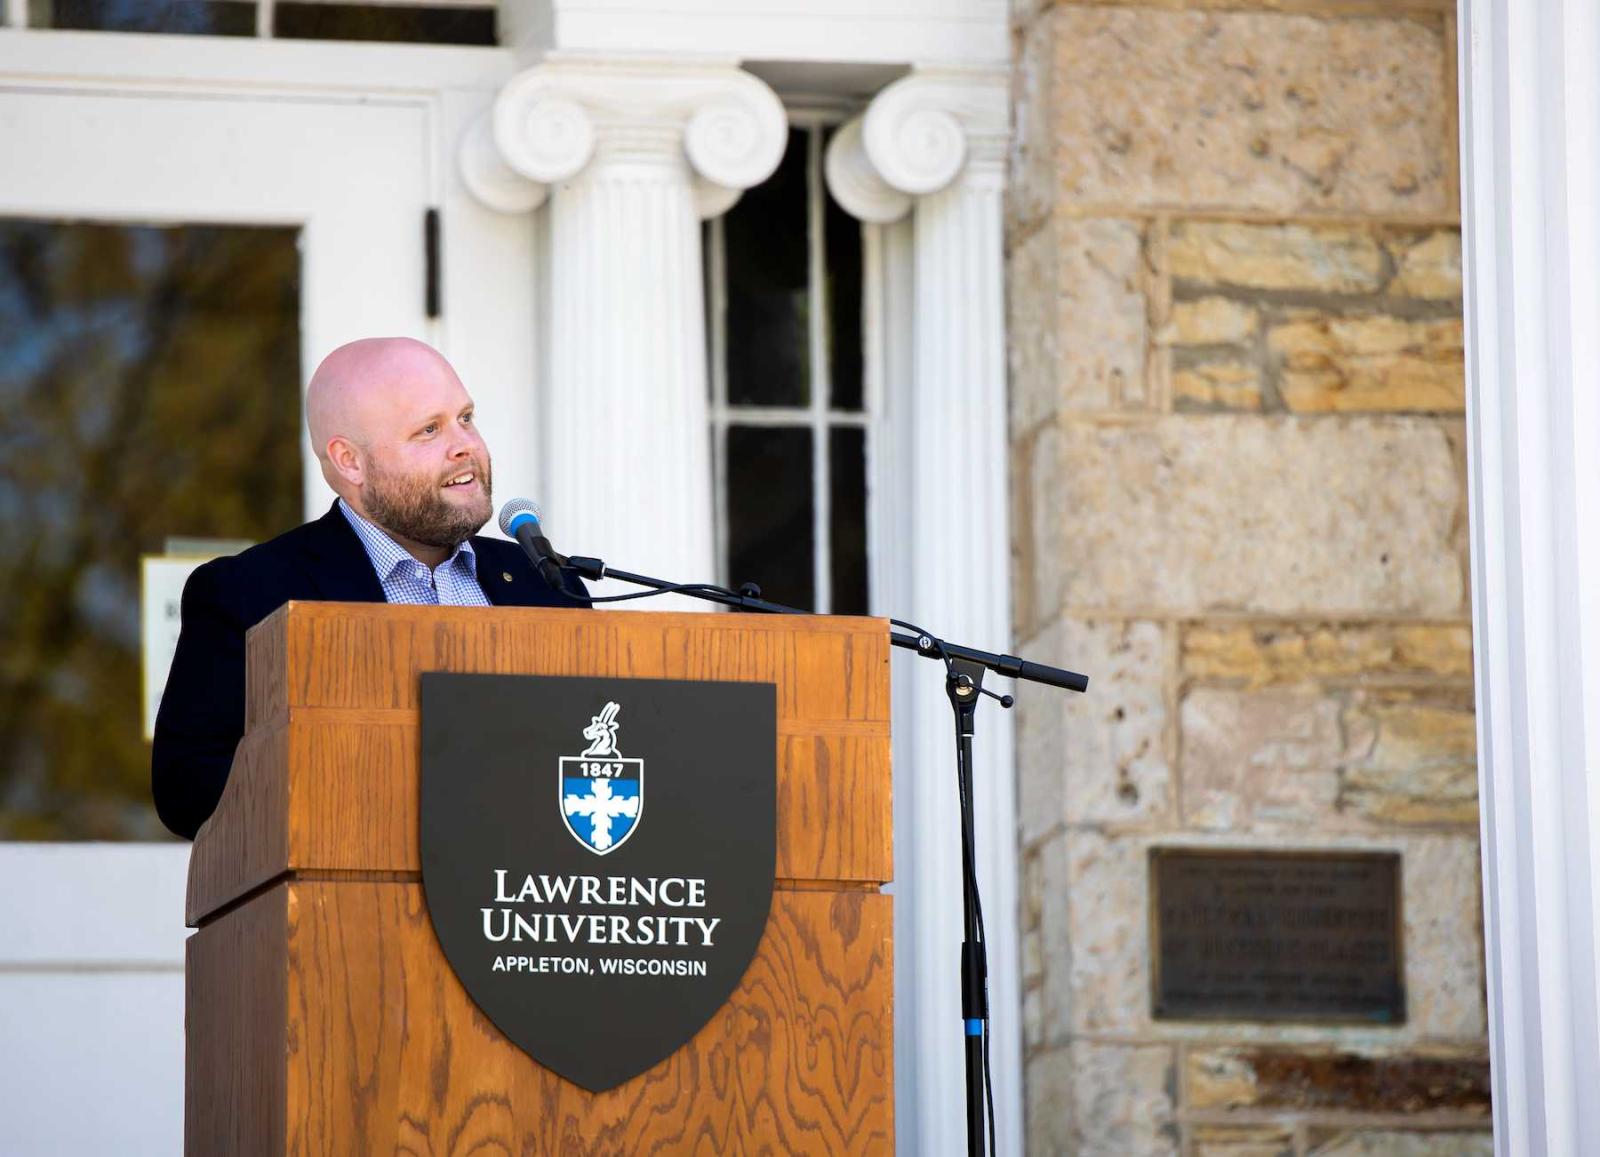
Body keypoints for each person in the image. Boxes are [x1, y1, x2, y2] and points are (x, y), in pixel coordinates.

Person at [151, 337, 587, 839]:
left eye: (465, 418)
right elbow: (186, 790)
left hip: (528, 901)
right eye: (429, 430)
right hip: (347, 904)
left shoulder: (546, 582)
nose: (465, 445)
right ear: (349, 462)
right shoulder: (252, 594)